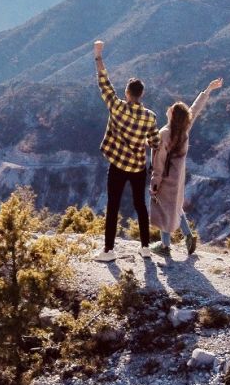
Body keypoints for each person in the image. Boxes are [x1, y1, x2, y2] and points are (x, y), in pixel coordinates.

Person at [92, 40, 160, 262]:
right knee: (140, 205)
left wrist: (99, 55)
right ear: (141, 95)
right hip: (138, 167)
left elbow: (104, 82)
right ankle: (145, 247)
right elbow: (154, 142)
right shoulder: (150, 117)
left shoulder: (117, 106)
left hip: (118, 165)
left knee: (113, 205)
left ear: (127, 93)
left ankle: (109, 251)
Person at [149, 77, 223, 257]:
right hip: (179, 176)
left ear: (172, 115)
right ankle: (189, 236)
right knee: (175, 205)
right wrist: (208, 90)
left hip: (166, 177)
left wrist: (155, 181)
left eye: (171, 109)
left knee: (165, 208)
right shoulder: (184, 128)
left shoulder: (165, 133)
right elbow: (194, 110)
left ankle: (165, 246)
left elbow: (159, 160)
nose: (168, 109)